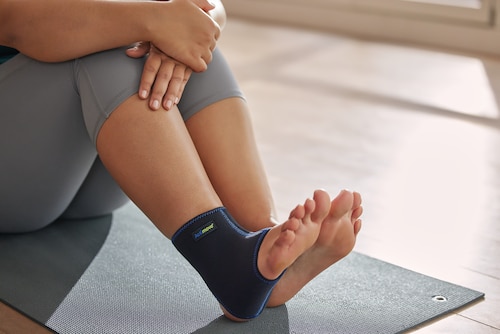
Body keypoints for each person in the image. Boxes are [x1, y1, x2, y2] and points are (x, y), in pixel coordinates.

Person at [0, 0, 363, 321]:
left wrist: (182, 29)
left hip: (89, 175)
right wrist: (156, 22)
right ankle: (224, 257)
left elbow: (210, 8)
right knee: (118, 40)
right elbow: (12, 20)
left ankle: (261, 250)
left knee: (179, 44)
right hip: (14, 176)